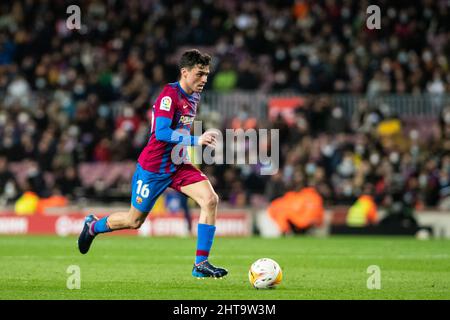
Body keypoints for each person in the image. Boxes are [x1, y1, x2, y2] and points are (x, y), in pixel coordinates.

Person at [77, 49, 228, 279]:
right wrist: (196, 140)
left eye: (207, 74)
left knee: (210, 199)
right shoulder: (169, 96)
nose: (204, 79)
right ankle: (93, 226)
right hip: (153, 168)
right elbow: (162, 132)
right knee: (133, 220)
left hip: (177, 164)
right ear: (184, 72)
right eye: (199, 74)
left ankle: (200, 264)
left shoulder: (194, 96)